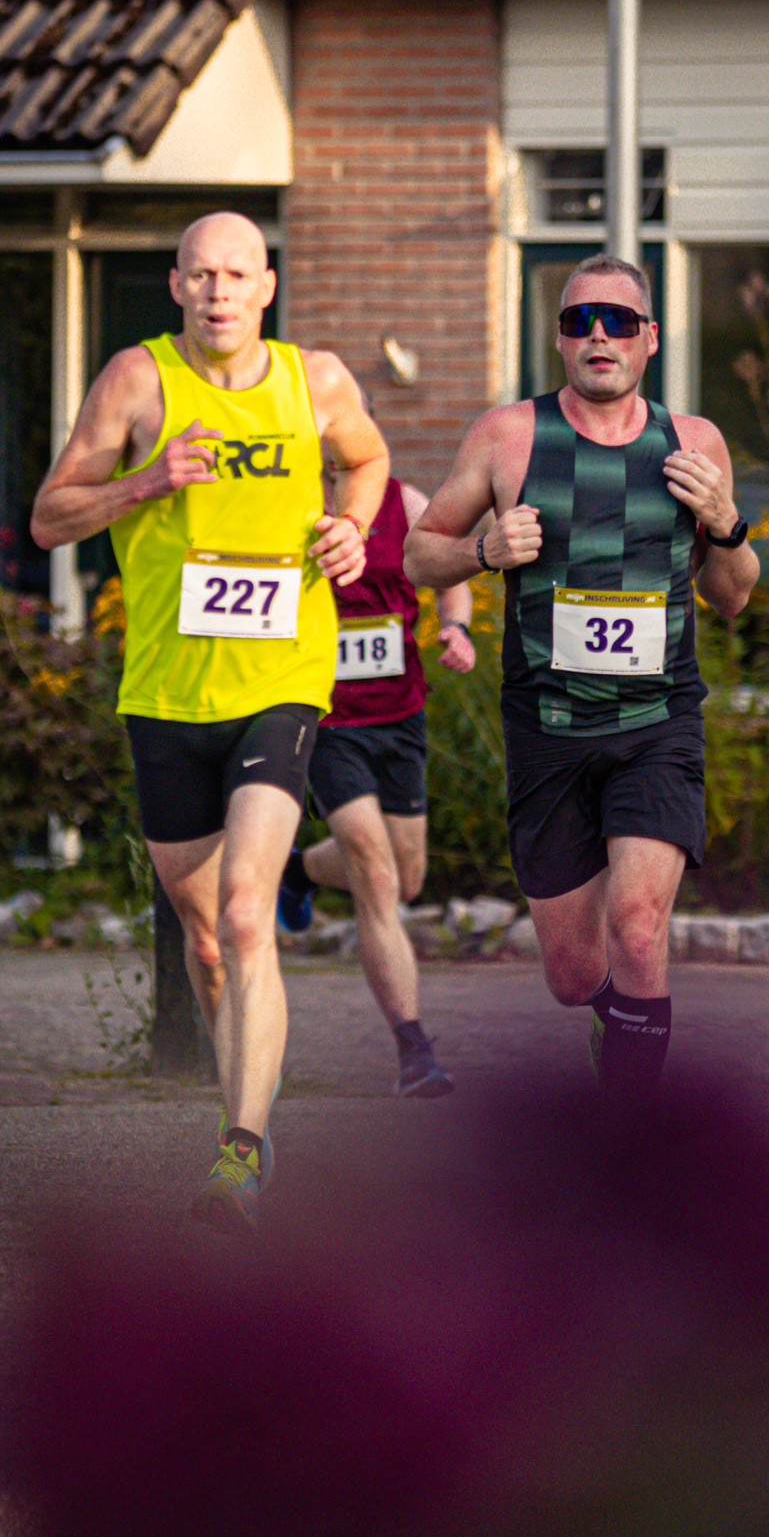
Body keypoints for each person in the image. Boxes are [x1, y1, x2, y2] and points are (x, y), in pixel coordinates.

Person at [31, 211, 387, 1229]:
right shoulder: (135, 382)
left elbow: (366, 461)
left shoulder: (311, 380)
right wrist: (147, 481)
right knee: (206, 942)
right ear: (176, 287)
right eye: (200, 275)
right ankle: (242, 1100)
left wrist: (349, 529)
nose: (219, 291)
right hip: (166, 695)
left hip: (281, 681)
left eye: (237, 274)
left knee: (243, 908)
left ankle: (242, 1149)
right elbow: (49, 515)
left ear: (265, 285)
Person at [404, 254, 759, 1098]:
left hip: (657, 723)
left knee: (639, 927)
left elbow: (733, 597)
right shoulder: (507, 436)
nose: (598, 335)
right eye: (578, 321)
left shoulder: (694, 442)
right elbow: (421, 553)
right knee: (572, 974)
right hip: (548, 729)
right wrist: (483, 551)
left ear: (650, 339)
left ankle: (631, 1146)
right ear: (560, 340)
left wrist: (727, 523)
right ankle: (616, 1019)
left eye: (618, 321)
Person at [277, 466, 477, 1096]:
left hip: (399, 718)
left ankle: (299, 870)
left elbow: (449, 571)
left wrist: (456, 625)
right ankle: (414, 1051)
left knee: (407, 878)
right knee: (377, 874)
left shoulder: (406, 501)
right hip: (328, 720)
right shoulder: (290, 503)